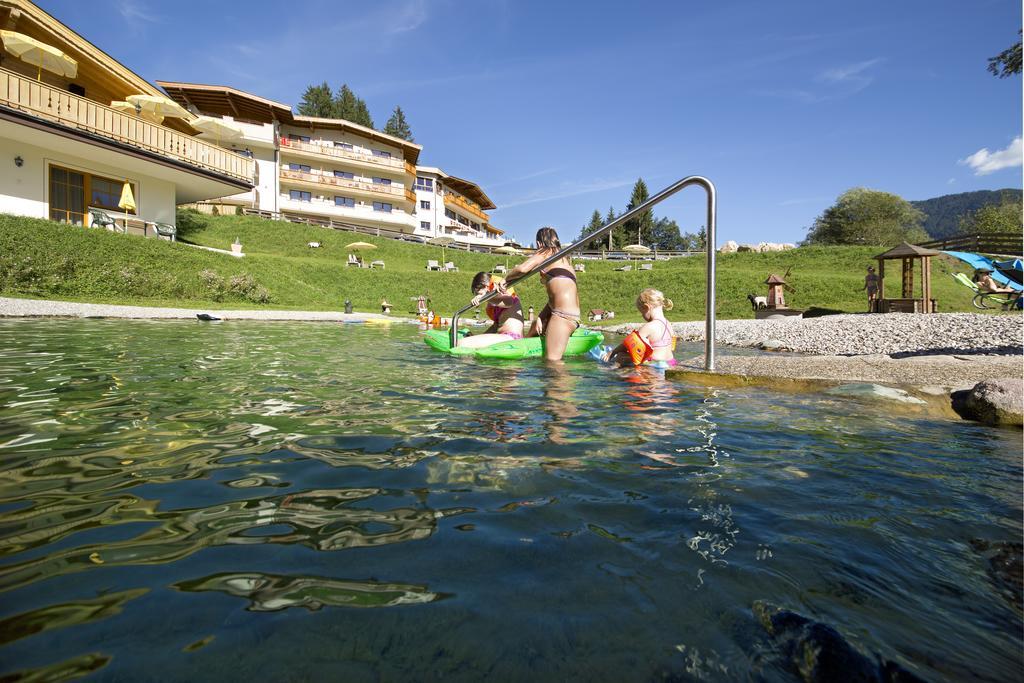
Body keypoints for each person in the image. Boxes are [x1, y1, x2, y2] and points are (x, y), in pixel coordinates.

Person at [503, 227, 581, 362]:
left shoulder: (546, 251)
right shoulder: (564, 260)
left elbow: (522, 269)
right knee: (535, 325)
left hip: (562, 316)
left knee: (552, 363)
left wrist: (505, 279)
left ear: (539, 243)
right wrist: (541, 317)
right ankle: (526, 342)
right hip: (571, 315)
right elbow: (557, 296)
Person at [603, 288, 677, 368]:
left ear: (647, 307)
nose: (642, 316)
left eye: (642, 312)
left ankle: (613, 372)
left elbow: (628, 345)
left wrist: (612, 352)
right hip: (671, 362)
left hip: (655, 363)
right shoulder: (668, 323)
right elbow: (671, 346)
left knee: (621, 356)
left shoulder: (649, 326)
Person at [458, 272, 527, 349]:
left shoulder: (504, 292)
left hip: (512, 337)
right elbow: (495, 326)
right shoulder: (493, 302)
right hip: (503, 336)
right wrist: (476, 337)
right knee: (467, 341)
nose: (478, 296)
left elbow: (509, 302)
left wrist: (485, 297)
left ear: (486, 286)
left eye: (478, 293)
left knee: (461, 344)